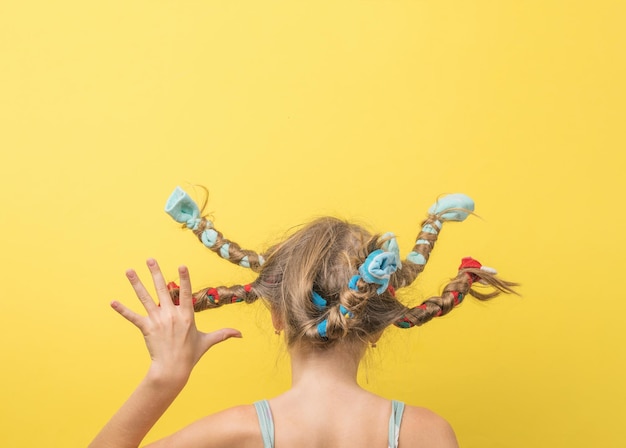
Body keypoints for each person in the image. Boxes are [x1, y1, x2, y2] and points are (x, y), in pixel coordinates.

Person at [90, 187, 517, 448]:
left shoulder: (236, 432)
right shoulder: (426, 434)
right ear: (380, 326)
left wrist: (166, 375)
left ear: (277, 314)